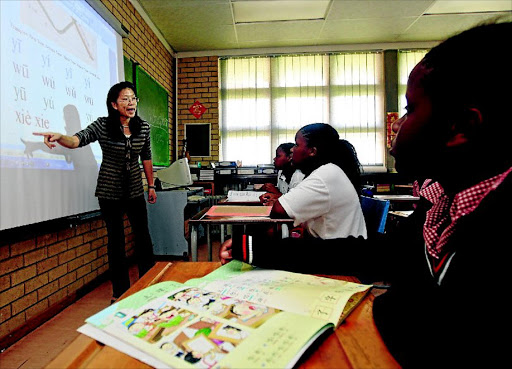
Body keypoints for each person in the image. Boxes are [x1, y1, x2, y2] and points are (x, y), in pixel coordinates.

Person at [220, 21, 512, 368]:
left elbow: (447, 336)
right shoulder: (441, 203)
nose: (396, 125)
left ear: (461, 128)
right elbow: (373, 254)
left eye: (410, 109)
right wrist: (261, 250)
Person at [34, 81, 157, 303]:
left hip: (135, 190)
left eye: (133, 98)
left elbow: (146, 157)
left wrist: (151, 185)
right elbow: (76, 140)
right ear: (113, 104)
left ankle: (147, 285)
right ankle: (120, 293)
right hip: (109, 192)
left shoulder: (144, 127)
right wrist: (59, 136)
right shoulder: (102, 125)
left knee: (143, 237)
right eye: (125, 99)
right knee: (116, 241)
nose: (131, 103)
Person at [269, 123, 366, 240]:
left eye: (296, 145)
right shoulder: (328, 171)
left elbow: (279, 209)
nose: (292, 149)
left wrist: (280, 201)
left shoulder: (325, 175)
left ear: (312, 151)